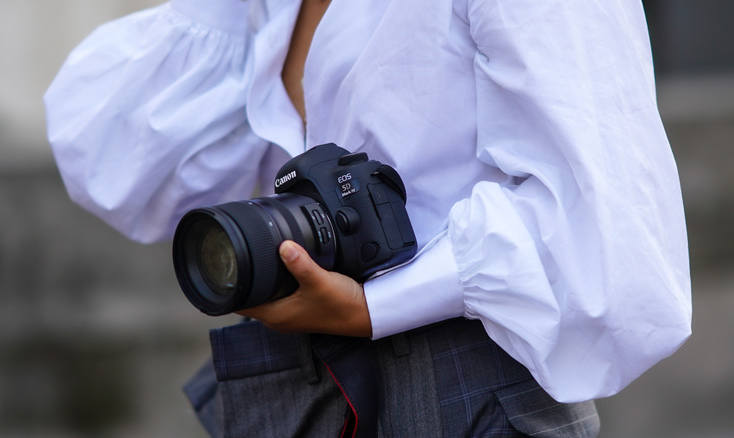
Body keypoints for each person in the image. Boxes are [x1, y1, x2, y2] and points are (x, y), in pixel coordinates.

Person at [45, 0, 692, 436]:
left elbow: (608, 220)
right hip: (306, 392)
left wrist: (377, 304)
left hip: (473, 383)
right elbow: (115, 159)